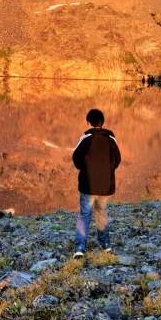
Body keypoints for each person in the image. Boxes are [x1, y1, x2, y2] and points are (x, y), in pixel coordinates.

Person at [71, 108, 121, 258]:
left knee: (84, 214)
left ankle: (80, 248)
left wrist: (86, 170)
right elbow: (117, 160)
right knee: (101, 213)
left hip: (87, 184)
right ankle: (105, 245)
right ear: (102, 122)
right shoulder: (111, 139)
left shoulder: (86, 138)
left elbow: (76, 159)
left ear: (89, 122)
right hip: (105, 185)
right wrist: (107, 171)